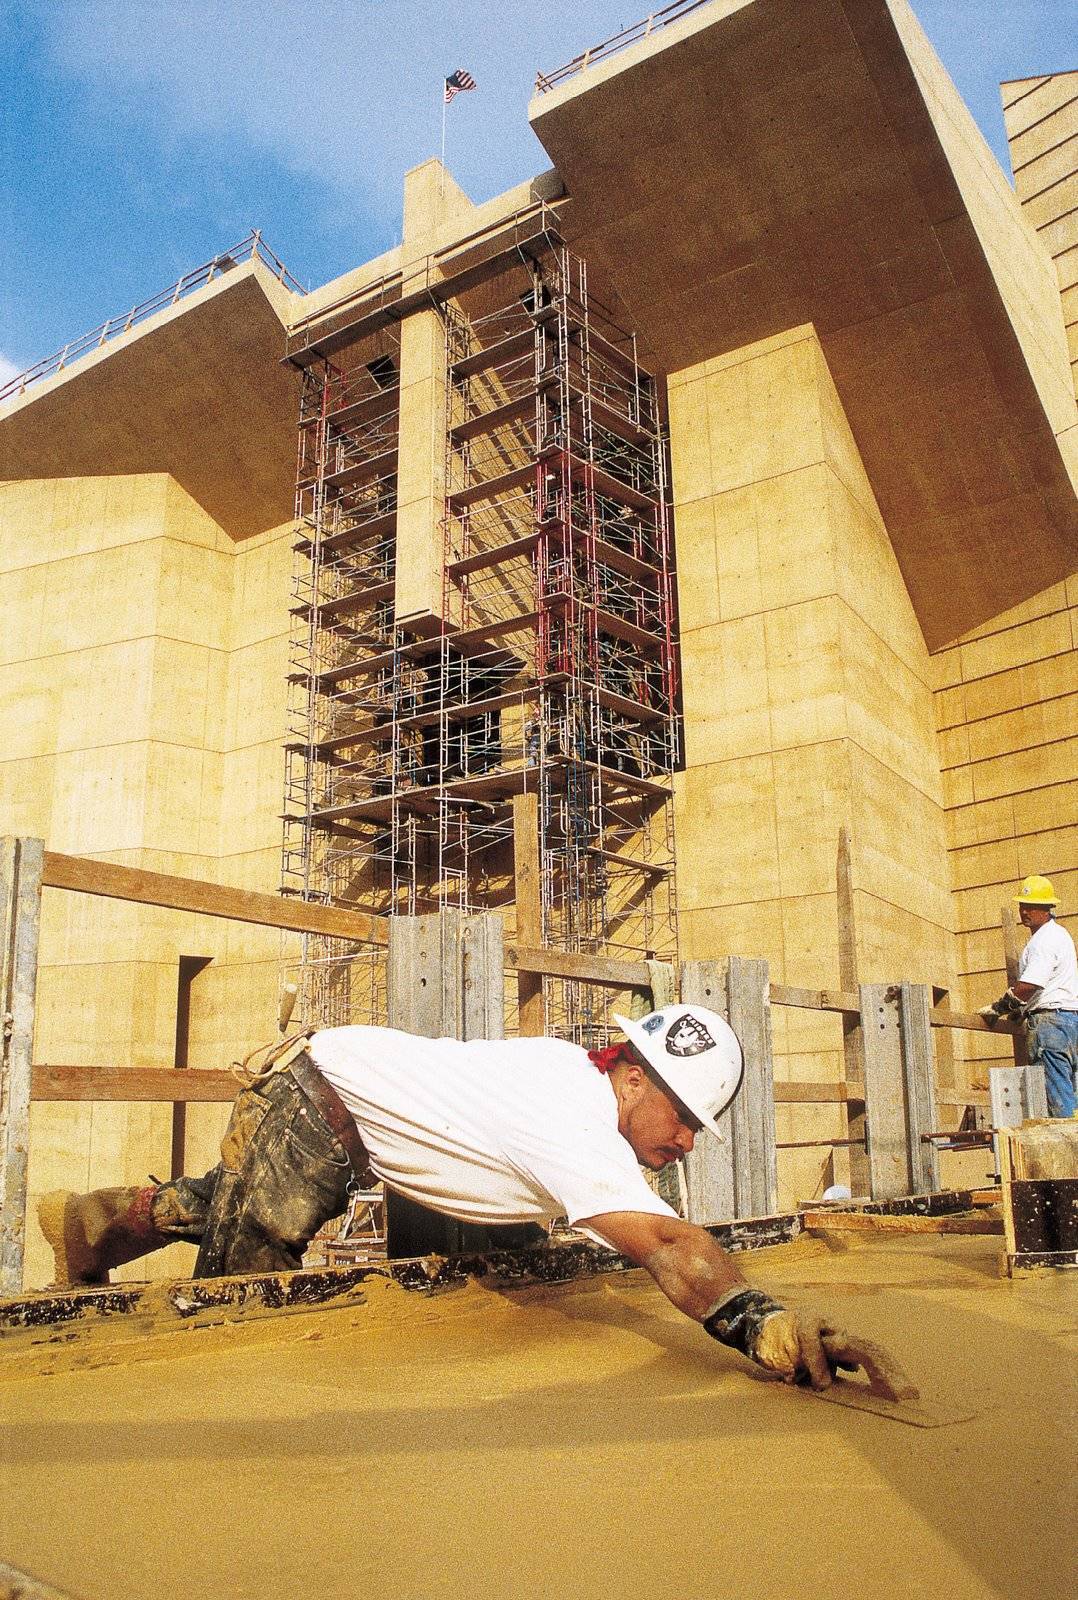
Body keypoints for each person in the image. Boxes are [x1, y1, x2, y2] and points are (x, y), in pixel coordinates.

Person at [39, 1003, 881, 1391]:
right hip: (314, 1096)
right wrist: (763, 1322)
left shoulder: (578, 1094)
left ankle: (93, 1221)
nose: (688, 1142)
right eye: (686, 1118)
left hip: (374, 1126)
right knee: (243, 1308)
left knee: (226, 1202)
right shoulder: (574, 1121)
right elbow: (665, 1245)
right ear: (631, 1079)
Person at [979, 875, 1078, 1118]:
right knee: (1072, 1096)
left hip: (1050, 1025)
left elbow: (1030, 985)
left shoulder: (1043, 941)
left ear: (1046, 909)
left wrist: (999, 1007)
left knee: (1057, 1101)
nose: (1025, 911)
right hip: (1069, 1020)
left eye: (1031, 906)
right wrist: (1020, 1011)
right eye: (1022, 906)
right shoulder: (1060, 935)